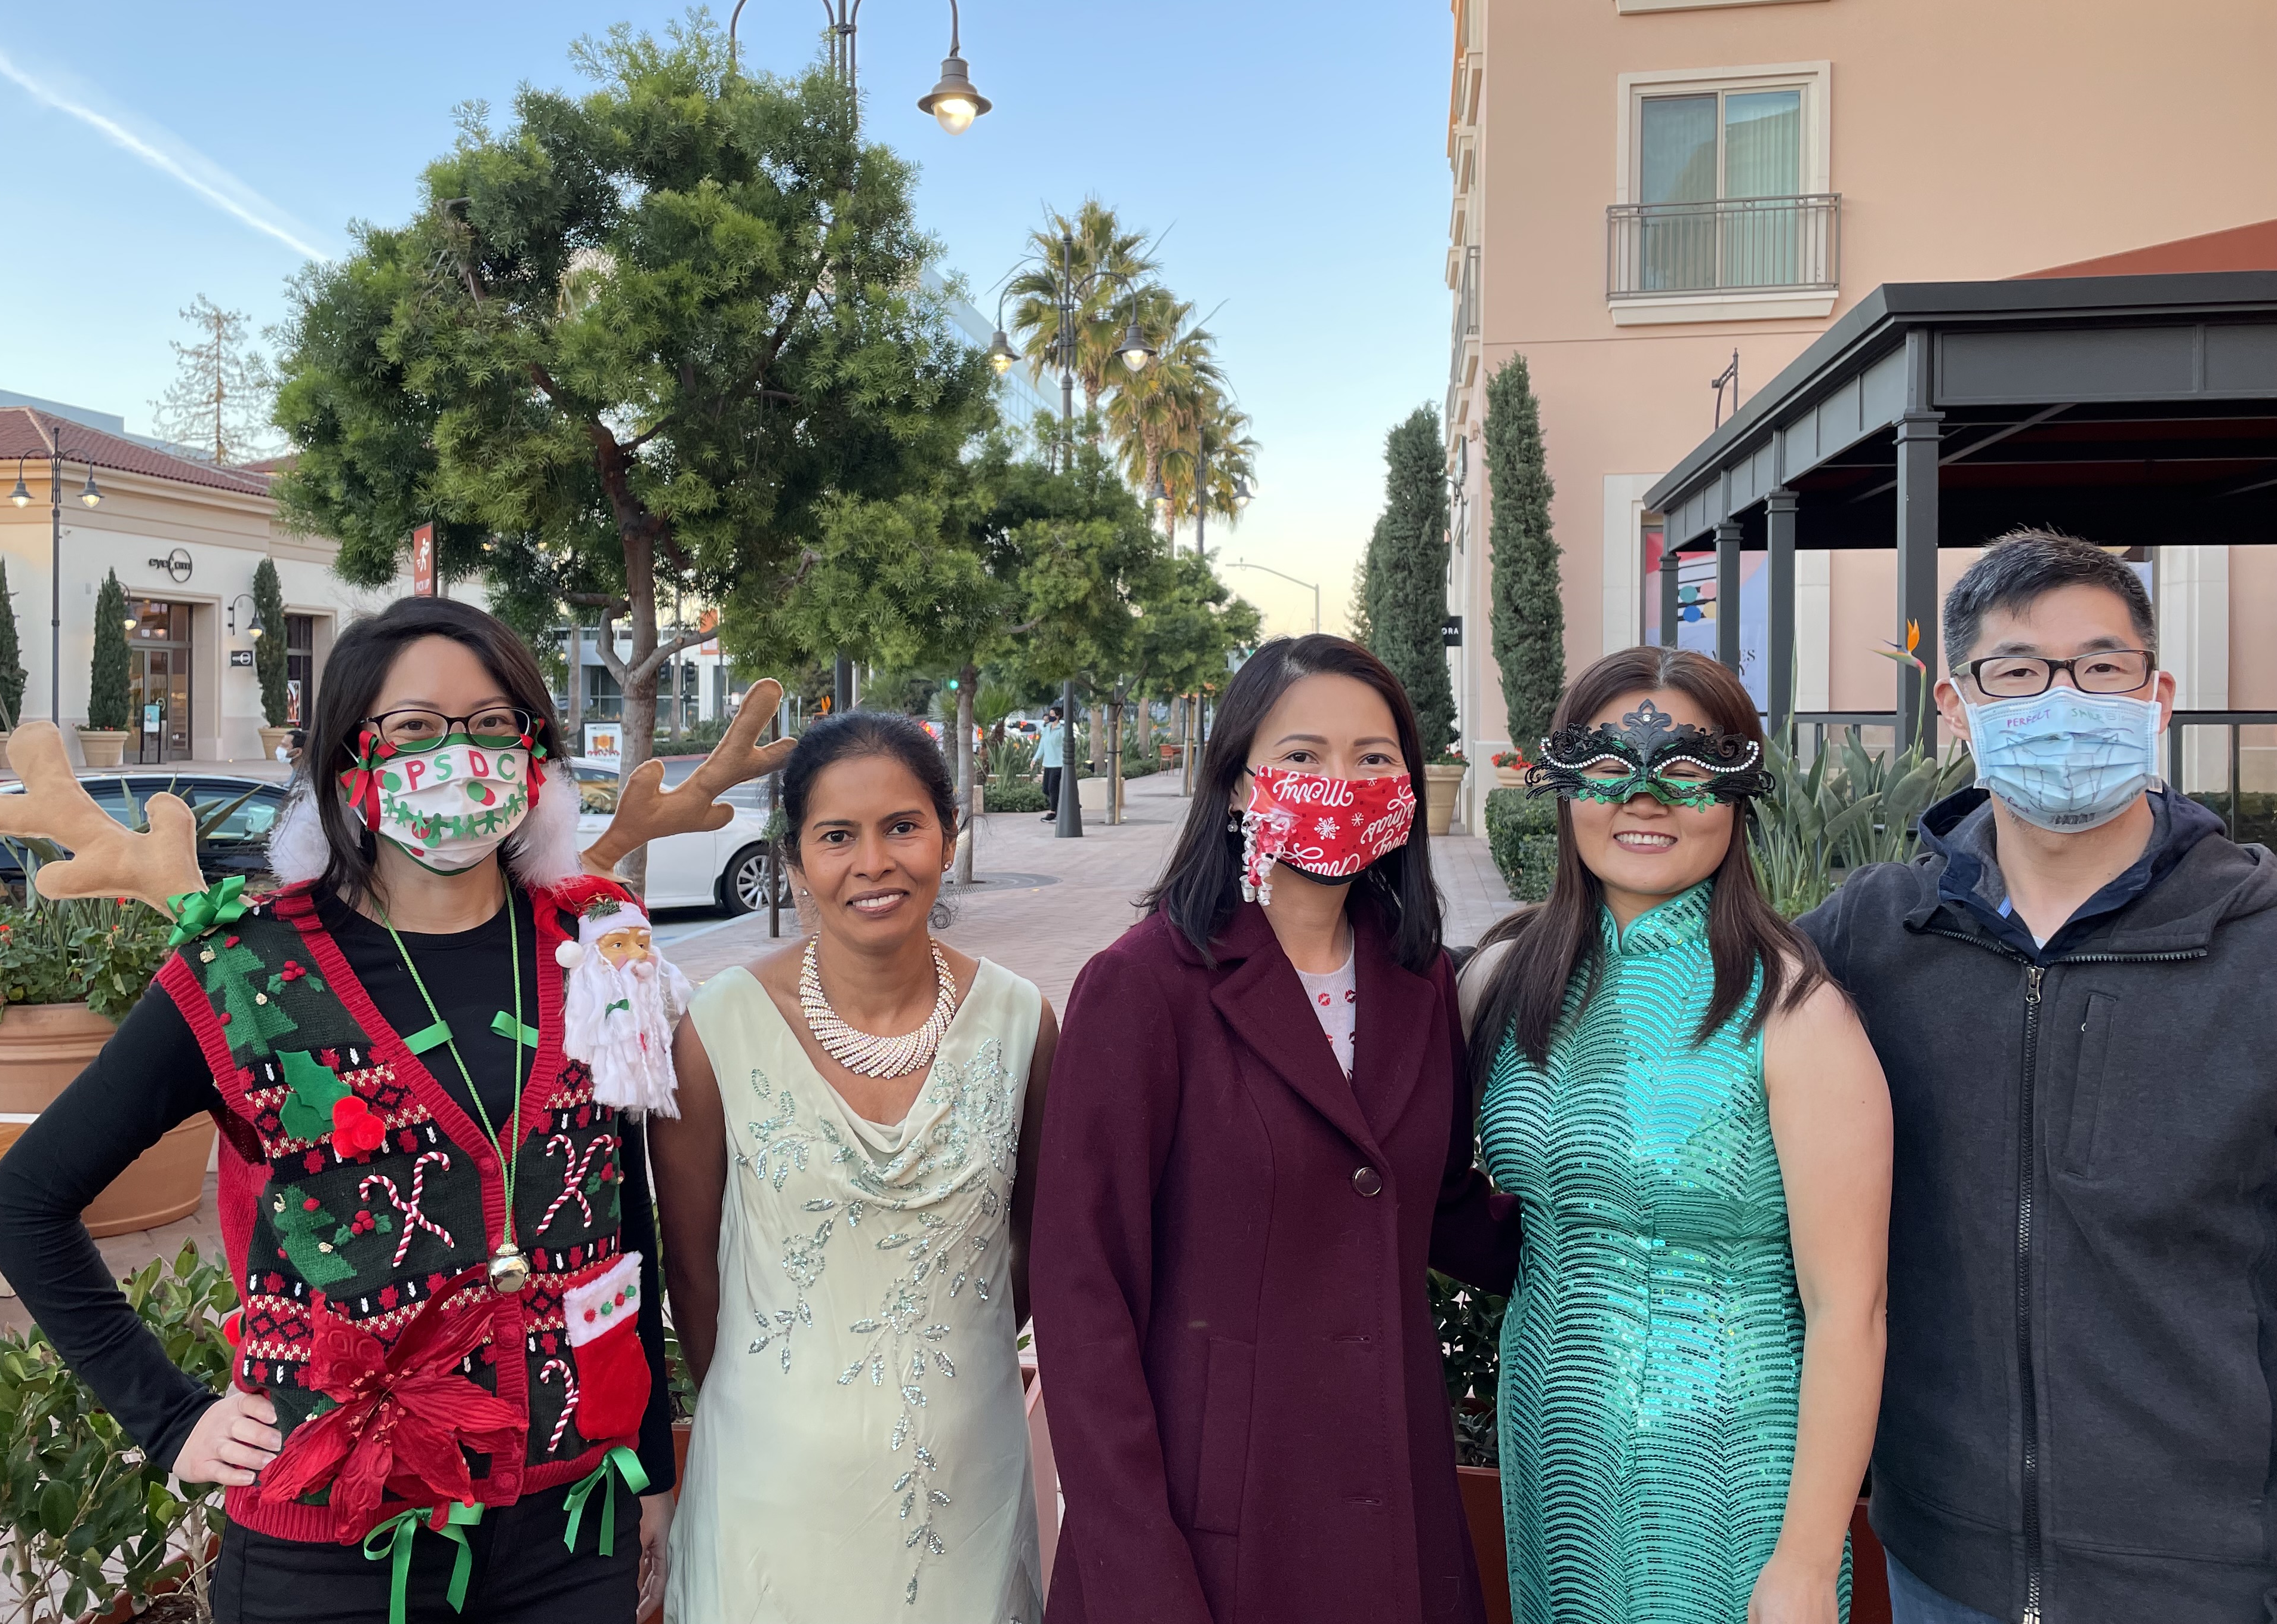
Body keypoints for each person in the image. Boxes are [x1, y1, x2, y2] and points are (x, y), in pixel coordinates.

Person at [0, 598, 698, 1623]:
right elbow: (25, 1203)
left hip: (571, 1521)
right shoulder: (243, 969)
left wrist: (650, 1462)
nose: (459, 753)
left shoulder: (598, 943)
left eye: (494, 722)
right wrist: (171, 1418)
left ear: (535, 750)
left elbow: (623, 1224)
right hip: (334, 1543)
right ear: (350, 756)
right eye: (416, 726)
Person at [1797, 530, 2277, 1624]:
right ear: (1956, 708)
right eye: (2016, 671)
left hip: (2203, 1579)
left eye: (2100, 666)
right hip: (1943, 1563)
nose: (2062, 699)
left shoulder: (2259, 947)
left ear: (2155, 695)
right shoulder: (1874, 934)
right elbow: (1691, 996)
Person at [1032, 633, 1519, 1624]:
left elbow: (1437, 1204)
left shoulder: (1418, 978)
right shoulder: (1142, 988)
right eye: (1303, 755)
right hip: (1217, 1524)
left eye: (1373, 757)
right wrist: (1139, 1576)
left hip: (1396, 1507)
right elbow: (1083, 1295)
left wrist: (1631, 1245)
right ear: (1237, 783)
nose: (1341, 782)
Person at [1466, 645, 1890, 1624]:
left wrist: (1804, 1557)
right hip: (1550, 1442)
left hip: (1731, 1466)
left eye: (1690, 769)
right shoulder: (1502, 981)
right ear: (1562, 784)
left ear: (1739, 794)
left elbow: (1849, 1309)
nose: (1644, 797)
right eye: (1607, 765)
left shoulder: (1796, 1013)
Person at [650, 709, 1059, 1622]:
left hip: (966, 1494)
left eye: (903, 827)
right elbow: (692, 1272)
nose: (873, 862)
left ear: (948, 835)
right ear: (795, 859)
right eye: (837, 836)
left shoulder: (1022, 1024)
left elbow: (1033, 1248)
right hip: (769, 1494)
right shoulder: (716, 1031)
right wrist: (772, 1398)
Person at [1037, 705, 1066, 821]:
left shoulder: (1062, 730)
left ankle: (1053, 812)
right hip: (1048, 764)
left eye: (1052, 715)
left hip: (1058, 764)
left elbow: (1066, 745)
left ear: (1058, 716)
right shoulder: (1047, 729)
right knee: (1046, 789)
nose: (1050, 717)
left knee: (1052, 788)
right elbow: (1042, 746)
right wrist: (1035, 759)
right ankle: (1061, 804)